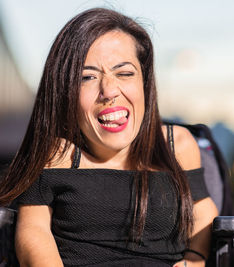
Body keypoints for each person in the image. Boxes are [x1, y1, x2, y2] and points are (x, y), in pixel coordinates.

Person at [0, 8, 218, 267]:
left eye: (124, 73)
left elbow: (204, 212)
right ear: (64, 91)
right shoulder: (55, 154)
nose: (109, 90)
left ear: (145, 82)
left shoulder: (176, 145)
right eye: (87, 77)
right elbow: (34, 233)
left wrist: (196, 259)